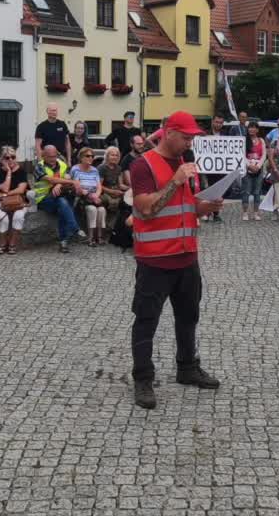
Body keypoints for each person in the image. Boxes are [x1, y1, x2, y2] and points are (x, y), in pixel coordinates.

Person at [128, 111, 222, 409]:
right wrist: (175, 181)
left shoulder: (183, 162)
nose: (190, 142)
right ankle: (143, 378)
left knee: (189, 317)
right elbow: (145, 210)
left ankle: (187, 367)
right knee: (146, 321)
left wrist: (207, 206)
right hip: (155, 261)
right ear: (169, 132)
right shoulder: (142, 165)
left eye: (193, 137)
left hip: (186, 257)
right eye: (186, 137)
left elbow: (186, 207)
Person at [34, 145, 79, 253]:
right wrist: (68, 182)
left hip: (59, 197)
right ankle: (73, 228)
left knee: (62, 206)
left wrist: (59, 184)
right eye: (50, 157)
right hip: (44, 199)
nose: (53, 159)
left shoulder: (62, 164)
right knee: (63, 203)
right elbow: (50, 179)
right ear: (43, 156)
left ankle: (64, 242)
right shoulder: (39, 166)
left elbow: (67, 177)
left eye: (55, 156)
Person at [0, 146, 29, 255]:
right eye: (7, 158)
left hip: (18, 200)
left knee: (18, 217)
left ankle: (13, 242)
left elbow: (21, 189)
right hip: (0, 201)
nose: (10, 159)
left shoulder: (22, 171)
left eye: (13, 157)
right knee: (3, 219)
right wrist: (9, 173)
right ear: (2, 160)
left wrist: (5, 194)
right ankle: (3, 242)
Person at [70, 147, 107, 245]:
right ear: (81, 157)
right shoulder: (75, 169)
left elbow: (99, 186)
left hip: (94, 197)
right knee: (92, 209)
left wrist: (96, 195)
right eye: (88, 156)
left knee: (102, 210)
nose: (91, 158)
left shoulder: (94, 170)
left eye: (92, 156)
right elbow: (77, 187)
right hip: (82, 198)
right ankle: (90, 238)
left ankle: (99, 237)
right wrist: (90, 196)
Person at [242, 122, 266, 220]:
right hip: (247, 169)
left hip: (258, 169)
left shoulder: (261, 140)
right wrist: (249, 165)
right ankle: (245, 213)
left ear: (257, 130)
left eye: (253, 128)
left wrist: (258, 166)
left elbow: (264, 154)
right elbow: (242, 154)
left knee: (257, 192)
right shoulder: (244, 141)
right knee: (246, 191)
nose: (251, 129)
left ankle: (256, 213)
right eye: (250, 128)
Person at [98, 146, 126, 227]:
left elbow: (120, 185)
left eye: (116, 155)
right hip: (104, 192)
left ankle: (115, 226)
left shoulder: (119, 168)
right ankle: (105, 225)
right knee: (107, 201)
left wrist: (130, 188)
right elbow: (99, 185)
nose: (114, 157)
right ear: (107, 156)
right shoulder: (102, 168)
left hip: (116, 191)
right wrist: (112, 192)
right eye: (112, 155)